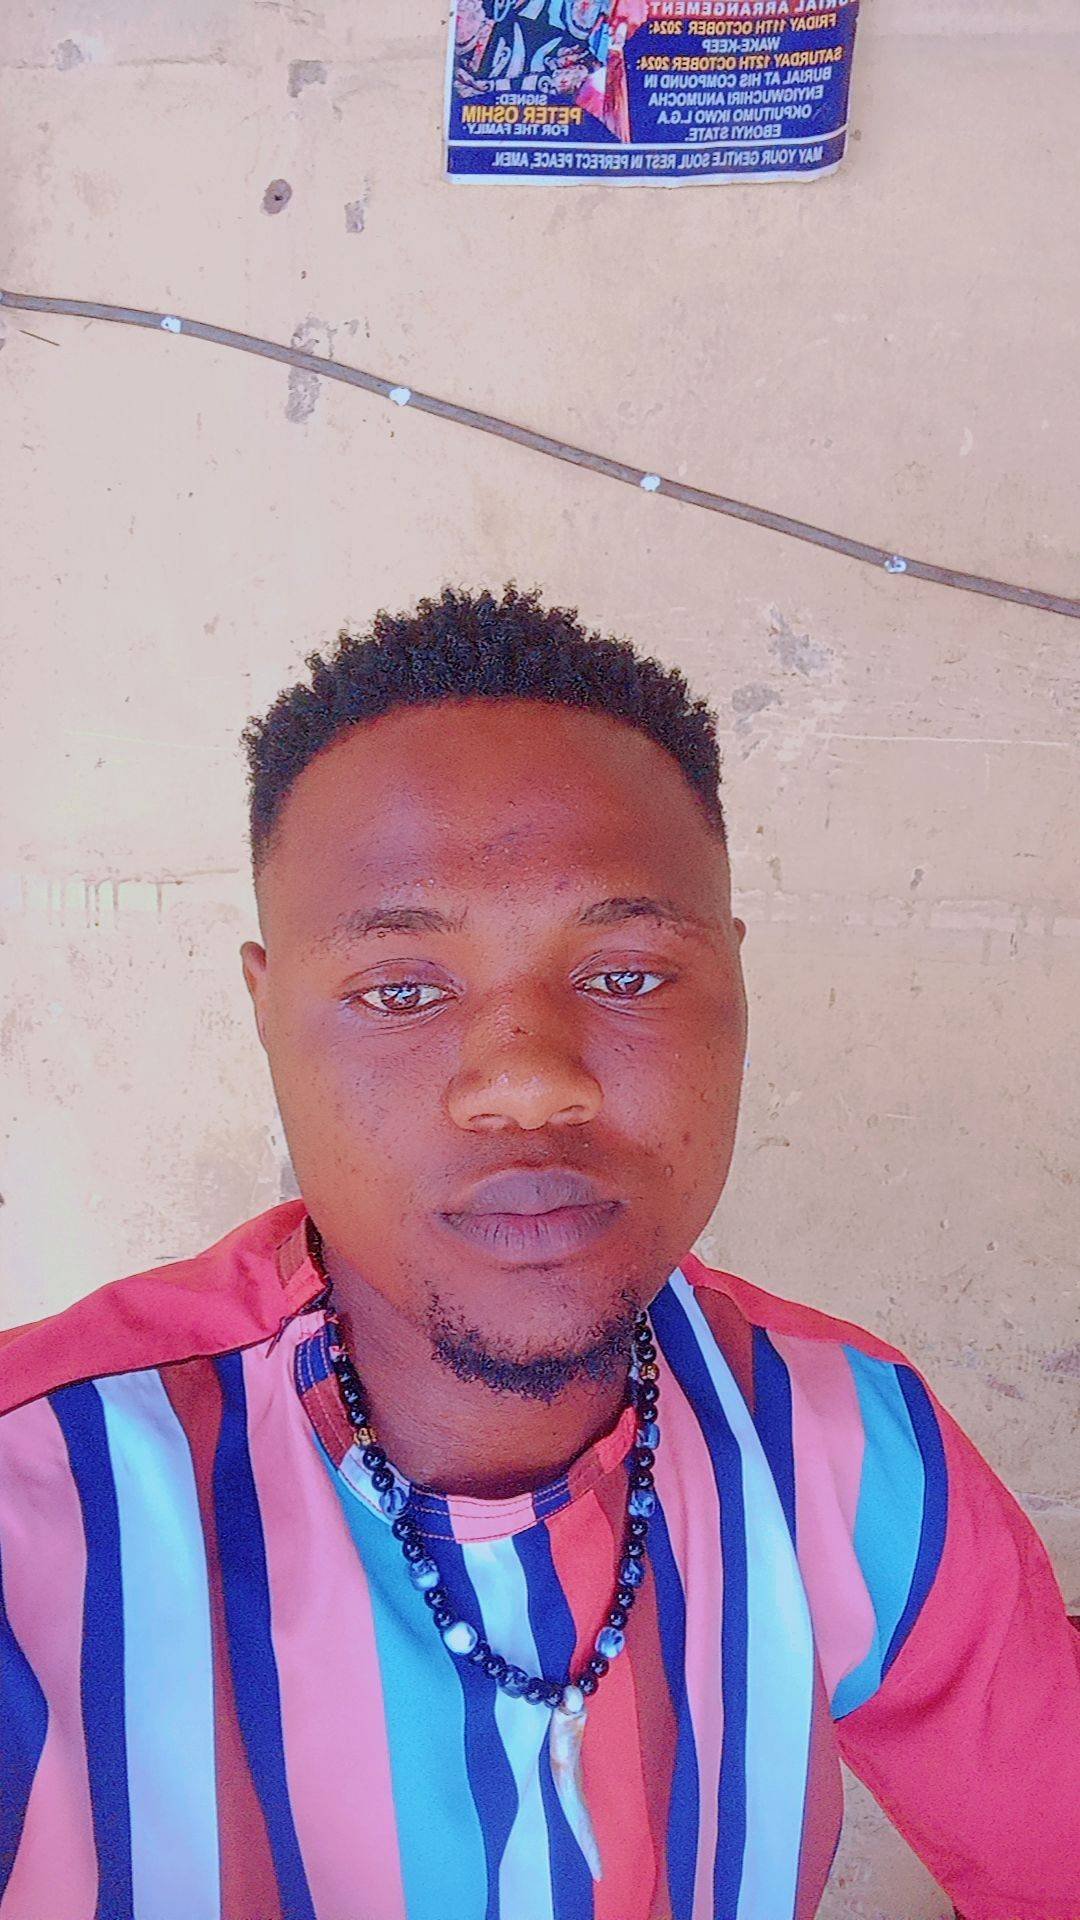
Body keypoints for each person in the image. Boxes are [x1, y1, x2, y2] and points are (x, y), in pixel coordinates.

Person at [1, 584, 1077, 1920]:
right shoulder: (40, 1506)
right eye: (402, 990)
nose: (527, 1083)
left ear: (736, 984)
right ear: (267, 1015)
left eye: (626, 975)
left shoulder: (848, 1452)